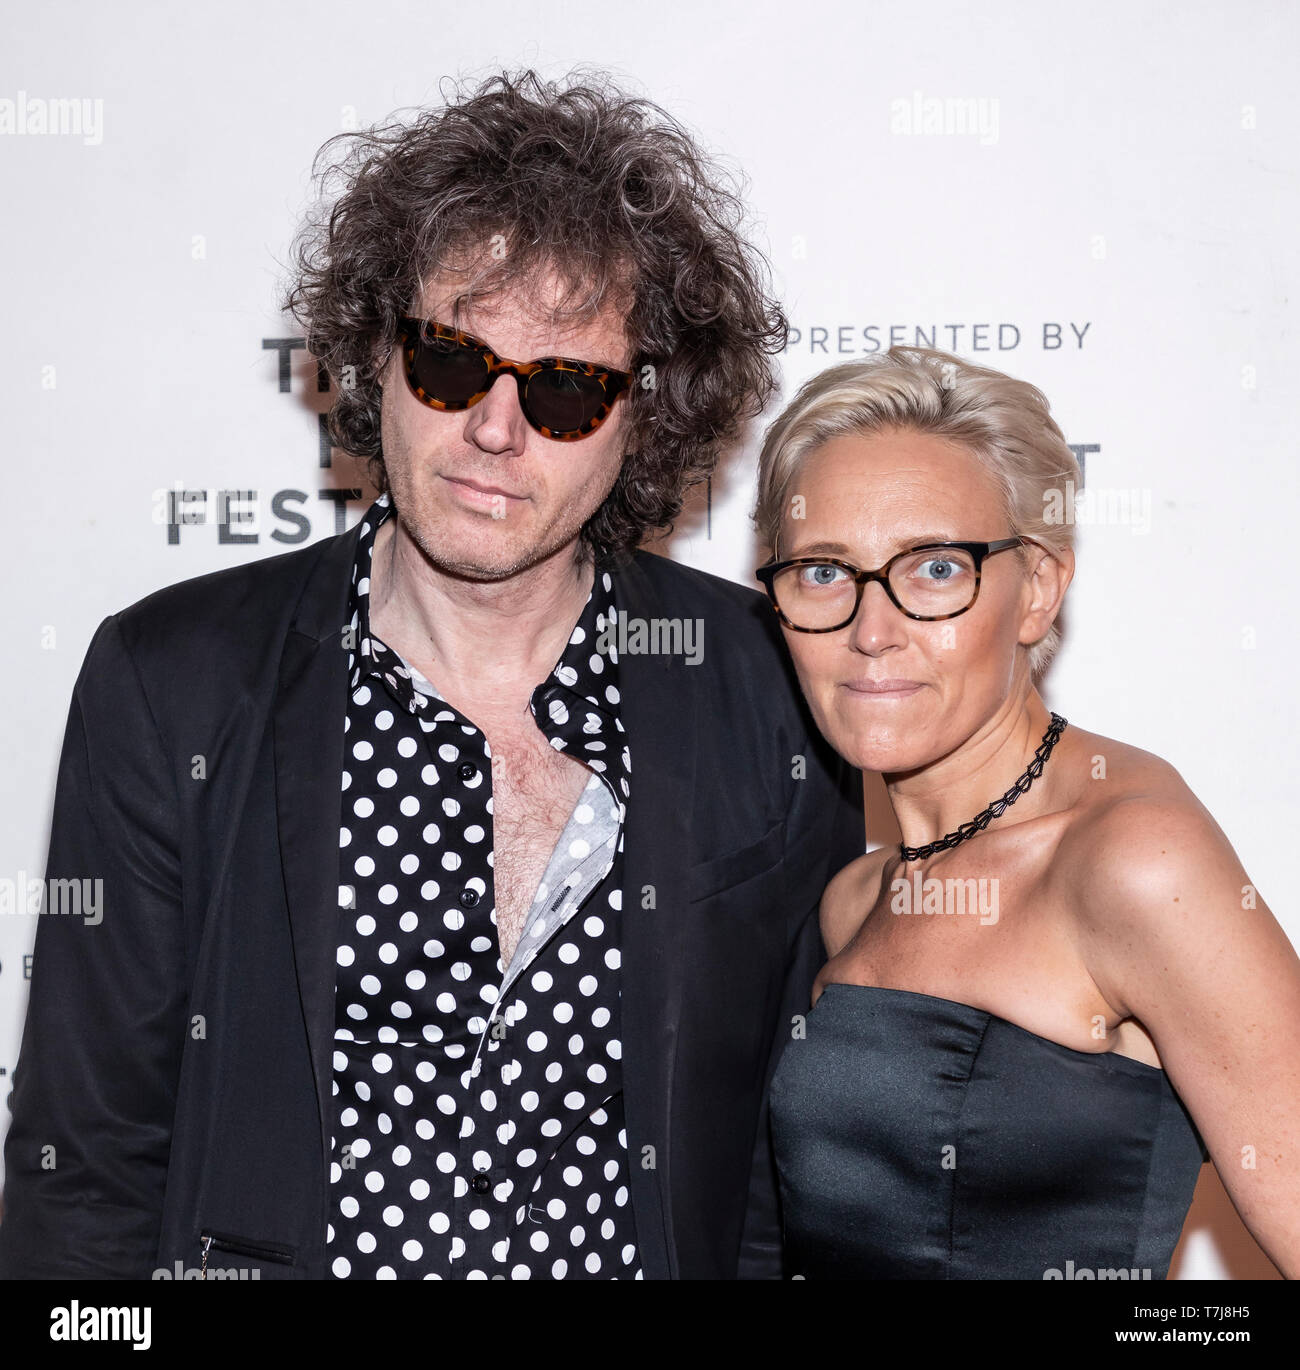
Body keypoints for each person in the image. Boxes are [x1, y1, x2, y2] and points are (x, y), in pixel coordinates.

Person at [0, 68, 863, 1281]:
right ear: (375, 358)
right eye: (453, 362)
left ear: (641, 421)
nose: (496, 429)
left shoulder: (765, 682)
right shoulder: (176, 680)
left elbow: (792, 1166)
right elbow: (85, 1165)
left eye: (565, 388)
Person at [753, 346, 1300, 1280]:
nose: (870, 631)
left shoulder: (1134, 861)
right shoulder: (855, 898)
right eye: (822, 572)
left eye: (933, 569)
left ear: (1037, 589)